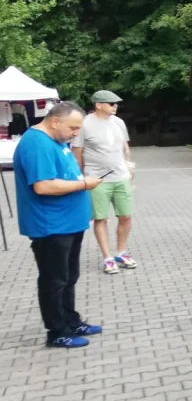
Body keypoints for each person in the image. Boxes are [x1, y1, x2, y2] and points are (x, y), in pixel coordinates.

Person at [13, 102, 104, 348]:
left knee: (68, 276)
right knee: (54, 280)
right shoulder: (38, 144)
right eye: (73, 128)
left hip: (68, 223)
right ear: (55, 121)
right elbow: (43, 186)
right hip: (51, 226)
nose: (76, 133)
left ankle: (71, 321)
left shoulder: (57, 140)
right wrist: (84, 184)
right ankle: (57, 332)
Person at [71, 90, 137, 275]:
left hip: (121, 177)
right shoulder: (84, 124)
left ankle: (121, 252)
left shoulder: (119, 122)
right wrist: (82, 179)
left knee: (126, 216)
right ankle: (107, 257)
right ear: (98, 105)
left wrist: (129, 167)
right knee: (101, 219)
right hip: (97, 179)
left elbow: (124, 147)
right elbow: (77, 154)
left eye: (116, 103)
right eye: (111, 103)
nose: (115, 106)